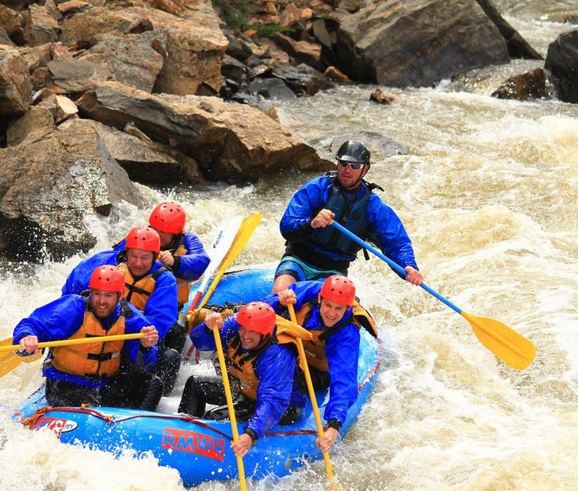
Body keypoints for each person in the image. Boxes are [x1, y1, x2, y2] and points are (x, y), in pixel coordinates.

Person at [272, 139, 424, 293]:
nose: (347, 170)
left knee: (327, 307)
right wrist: (311, 223)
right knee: (281, 290)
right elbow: (287, 225)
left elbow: (396, 243)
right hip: (298, 260)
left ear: (365, 168)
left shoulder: (373, 206)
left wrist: (408, 266)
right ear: (337, 164)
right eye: (344, 164)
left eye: (355, 166)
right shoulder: (317, 189)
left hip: (333, 271)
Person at [13, 265, 162, 409]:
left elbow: (143, 366)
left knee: (152, 384)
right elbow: (32, 324)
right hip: (65, 383)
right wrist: (27, 336)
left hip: (104, 384)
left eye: (108, 295)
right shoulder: (73, 308)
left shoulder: (130, 318)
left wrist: (145, 347)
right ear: (91, 292)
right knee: (87, 404)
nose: (102, 301)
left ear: (119, 295)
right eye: (97, 294)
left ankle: (134, 427)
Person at [264, 275, 377, 453]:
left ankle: (285, 405)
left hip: (316, 373)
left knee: (283, 367)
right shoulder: (306, 292)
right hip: (291, 354)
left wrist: (334, 425)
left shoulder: (347, 332)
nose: (331, 313)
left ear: (348, 307)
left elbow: (343, 377)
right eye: (328, 305)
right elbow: (262, 311)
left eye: (339, 309)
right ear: (320, 299)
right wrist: (278, 301)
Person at [61, 227, 181, 394]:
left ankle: (156, 397)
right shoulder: (108, 265)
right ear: (126, 252)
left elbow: (159, 322)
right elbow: (71, 289)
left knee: (170, 356)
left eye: (145, 258)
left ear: (155, 256)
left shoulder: (164, 279)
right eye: (133, 256)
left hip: (132, 333)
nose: (138, 263)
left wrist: (128, 332)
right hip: (102, 325)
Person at [178, 302, 298, 458]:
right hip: (243, 389)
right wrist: (208, 329)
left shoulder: (278, 355)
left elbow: (272, 400)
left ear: (265, 333)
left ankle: (200, 455)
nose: (246, 336)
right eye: (244, 329)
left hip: (276, 405)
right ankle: (179, 434)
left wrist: (251, 433)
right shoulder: (235, 325)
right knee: (195, 384)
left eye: (252, 332)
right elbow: (202, 344)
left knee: (213, 417)